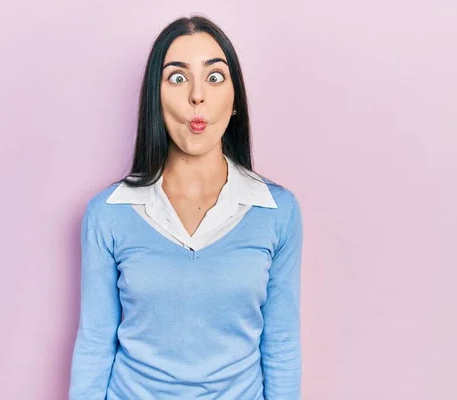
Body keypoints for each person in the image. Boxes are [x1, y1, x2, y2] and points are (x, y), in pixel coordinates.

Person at [68, 15, 303, 400]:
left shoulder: (278, 212)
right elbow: (95, 343)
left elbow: (281, 344)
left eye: (214, 77)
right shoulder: (107, 213)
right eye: (178, 78)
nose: (198, 96)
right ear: (155, 100)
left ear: (234, 102)